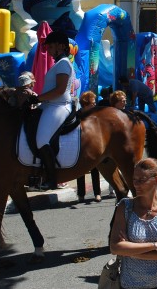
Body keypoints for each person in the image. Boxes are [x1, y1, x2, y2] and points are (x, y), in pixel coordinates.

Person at [109, 158, 157, 289]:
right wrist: (156, 245)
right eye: (134, 179)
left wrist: (131, 251)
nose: (136, 184)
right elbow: (115, 248)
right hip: (131, 285)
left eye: (141, 180)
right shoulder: (125, 207)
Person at [35, 30, 75, 190]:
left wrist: (38, 98)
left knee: (41, 140)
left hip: (59, 105)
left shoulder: (64, 63)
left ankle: (51, 178)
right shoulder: (58, 64)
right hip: (50, 104)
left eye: (51, 46)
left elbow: (59, 90)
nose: (49, 51)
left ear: (61, 46)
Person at [76, 91, 102, 203]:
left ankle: (97, 193)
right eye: (93, 103)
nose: (95, 105)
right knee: (80, 171)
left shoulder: (96, 115)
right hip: (81, 146)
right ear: (86, 104)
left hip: (93, 146)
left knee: (95, 169)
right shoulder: (78, 115)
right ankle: (81, 194)